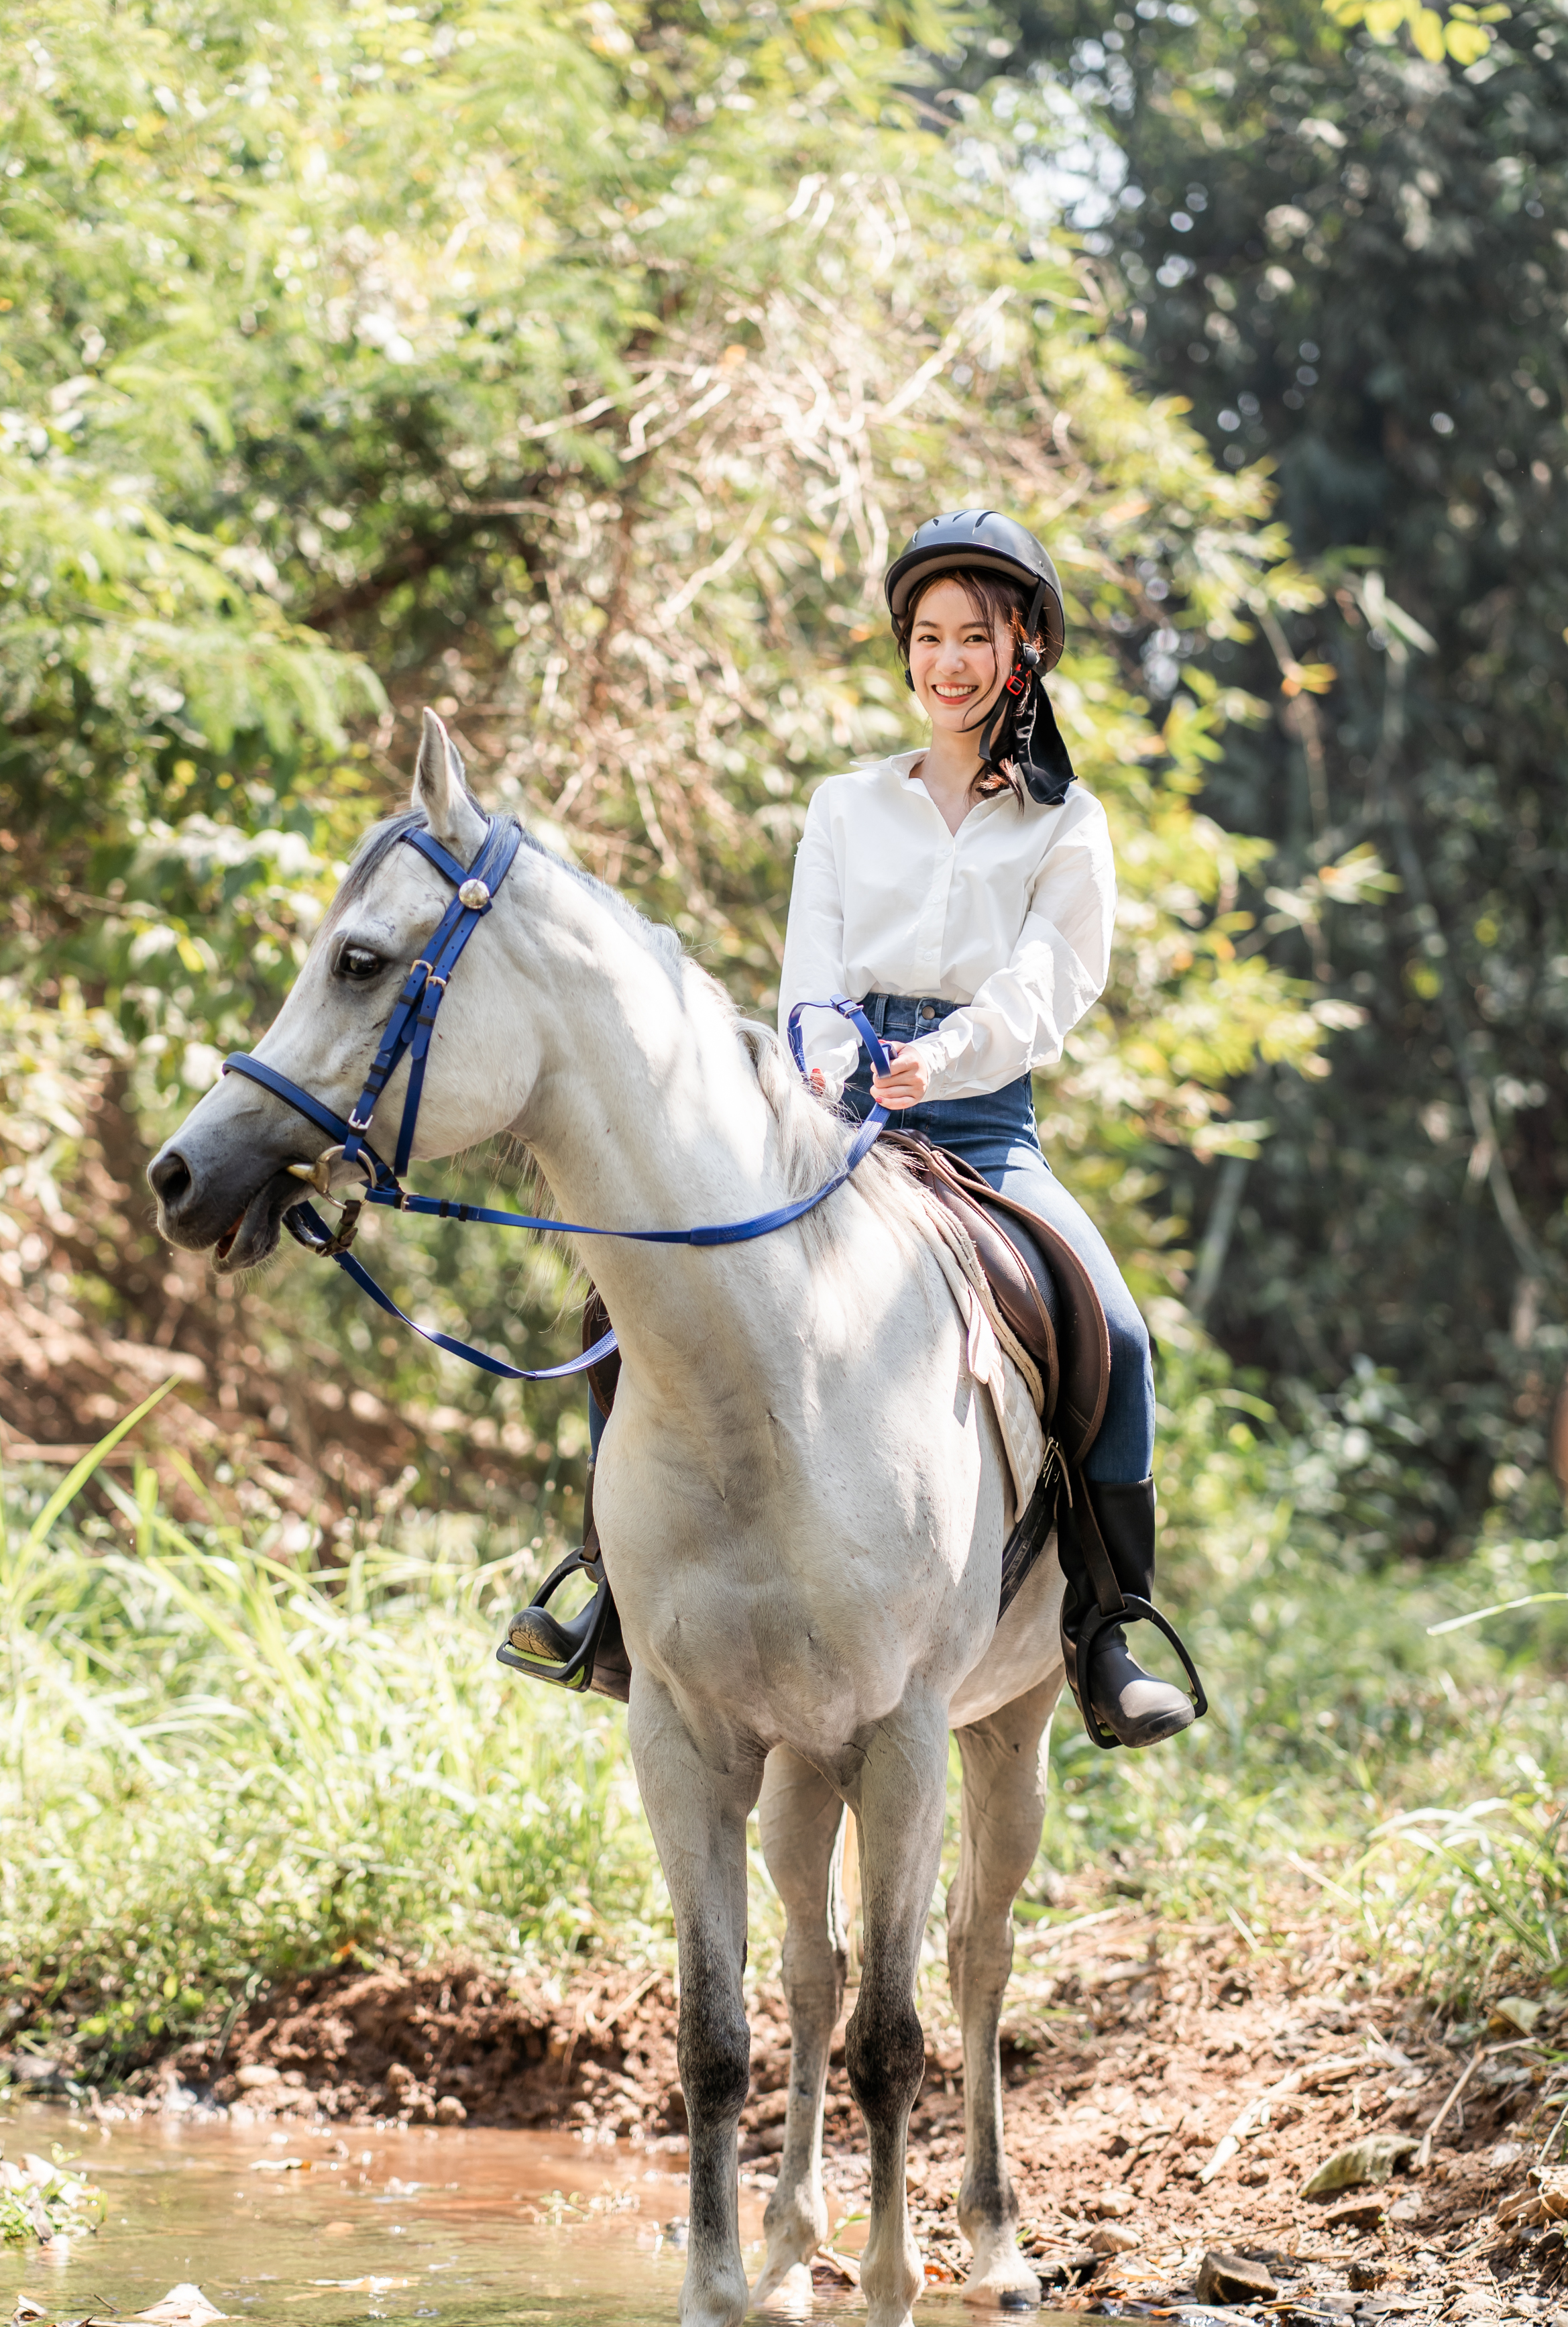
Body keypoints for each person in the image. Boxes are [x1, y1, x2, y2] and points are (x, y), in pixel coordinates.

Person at [504, 507, 1198, 1752]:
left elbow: (1050, 984)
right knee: (631, 1297)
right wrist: (833, 1063)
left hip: (981, 1128)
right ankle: (609, 1584)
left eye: (974, 638)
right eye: (928, 637)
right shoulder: (845, 806)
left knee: (1123, 1333)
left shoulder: (1066, 828)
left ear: (1025, 648)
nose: (947, 662)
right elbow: (809, 971)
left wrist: (947, 1054)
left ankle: (1105, 1626)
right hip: (830, 1118)